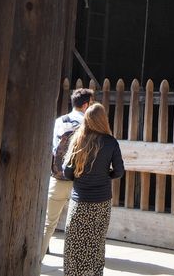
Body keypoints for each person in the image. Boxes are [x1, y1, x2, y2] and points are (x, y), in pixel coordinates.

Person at [62, 102, 125, 276]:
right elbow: (119, 171)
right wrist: (105, 176)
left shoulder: (78, 139)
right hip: (101, 203)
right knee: (95, 244)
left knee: (74, 245)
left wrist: (80, 178)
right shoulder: (111, 142)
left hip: (79, 202)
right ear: (103, 120)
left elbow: (67, 172)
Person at [41, 87, 94, 260]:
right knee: (80, 227)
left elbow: (52, 147)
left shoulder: (59, 121)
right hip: (81, 182)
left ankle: (37, 260)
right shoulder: (89, 125)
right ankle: (76, 264)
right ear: (86, 105)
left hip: (58, 177)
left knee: (48, 224)